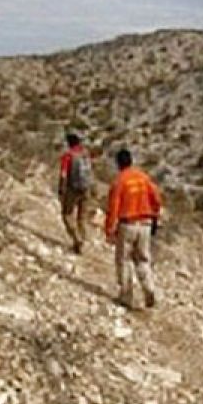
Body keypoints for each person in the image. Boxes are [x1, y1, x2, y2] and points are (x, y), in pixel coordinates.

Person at [104, 148, 162, 309]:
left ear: (118, 164)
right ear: (131, 161)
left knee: (124, 260)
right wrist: (155, 216)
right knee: (143, 259)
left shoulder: (119, 181)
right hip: (146, 223)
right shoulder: (143, 178)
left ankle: (126, 295)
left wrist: (109, 230)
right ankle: (149, 289)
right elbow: (157, 199)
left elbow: (113, 208)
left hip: (127, 224)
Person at [58, 132, 93, 254]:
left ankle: (77, 239)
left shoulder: (68, 156)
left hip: (73, 189)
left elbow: (63, 174)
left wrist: (61, 189)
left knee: (67, 214)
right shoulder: (86, 154)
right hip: (86, 188)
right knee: (82, 217)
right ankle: (82, 241)